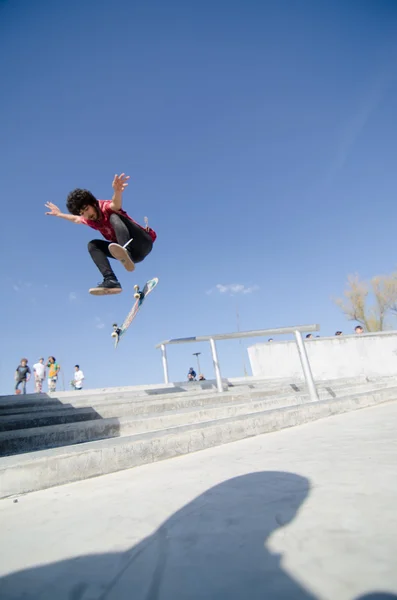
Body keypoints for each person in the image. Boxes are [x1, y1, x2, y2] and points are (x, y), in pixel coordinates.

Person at [45, 173, 156, 294]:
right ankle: (111, 281)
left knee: (113, 216)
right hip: (135, 257)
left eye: (87, 209)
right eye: (82, 212)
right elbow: (76, 219)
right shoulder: (89, 220)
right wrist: (59, 214)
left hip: (142, 242)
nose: (87, 215)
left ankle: (126, 251)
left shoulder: (104, 207)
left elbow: (115, 204)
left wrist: (117, 192)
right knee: (93, 245)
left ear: (93, 204)